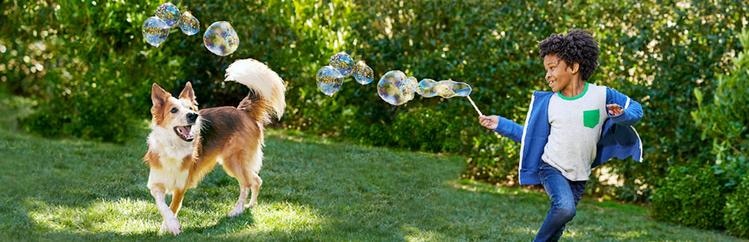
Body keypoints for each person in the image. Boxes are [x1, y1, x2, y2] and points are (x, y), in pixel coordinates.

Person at [478, 29, 644, 242]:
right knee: (565, 209)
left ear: (574, 67)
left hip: (580, 175)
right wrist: (500, 124)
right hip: (551, 168)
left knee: (557, 227)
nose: (547, 75)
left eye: (552, 68)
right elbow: (531, 137)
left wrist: (621, 115)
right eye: (546, 69)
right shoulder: (549, 103)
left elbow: (636, 110)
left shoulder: (602, 95)